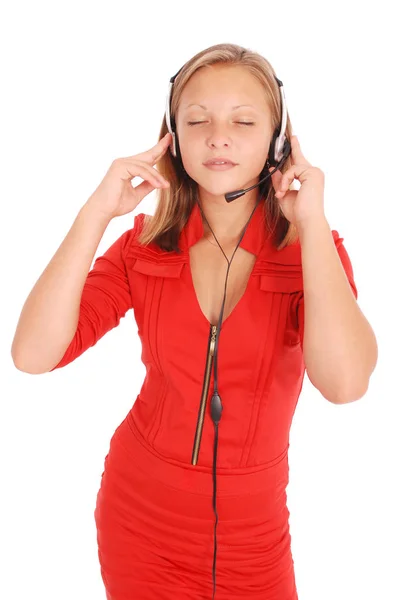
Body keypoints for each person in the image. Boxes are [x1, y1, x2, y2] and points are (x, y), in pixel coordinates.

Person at [11, 43, 374, 600]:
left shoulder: (310, 253)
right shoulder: (144, 248)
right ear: (173, 139)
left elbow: (345, 384)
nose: (218, 136)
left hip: (255, 540)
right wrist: (96, 212)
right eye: (197, 119)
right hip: (140, 518)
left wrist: (314, 222)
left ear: (278, 141)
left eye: (243, 121)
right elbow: (33, 355)